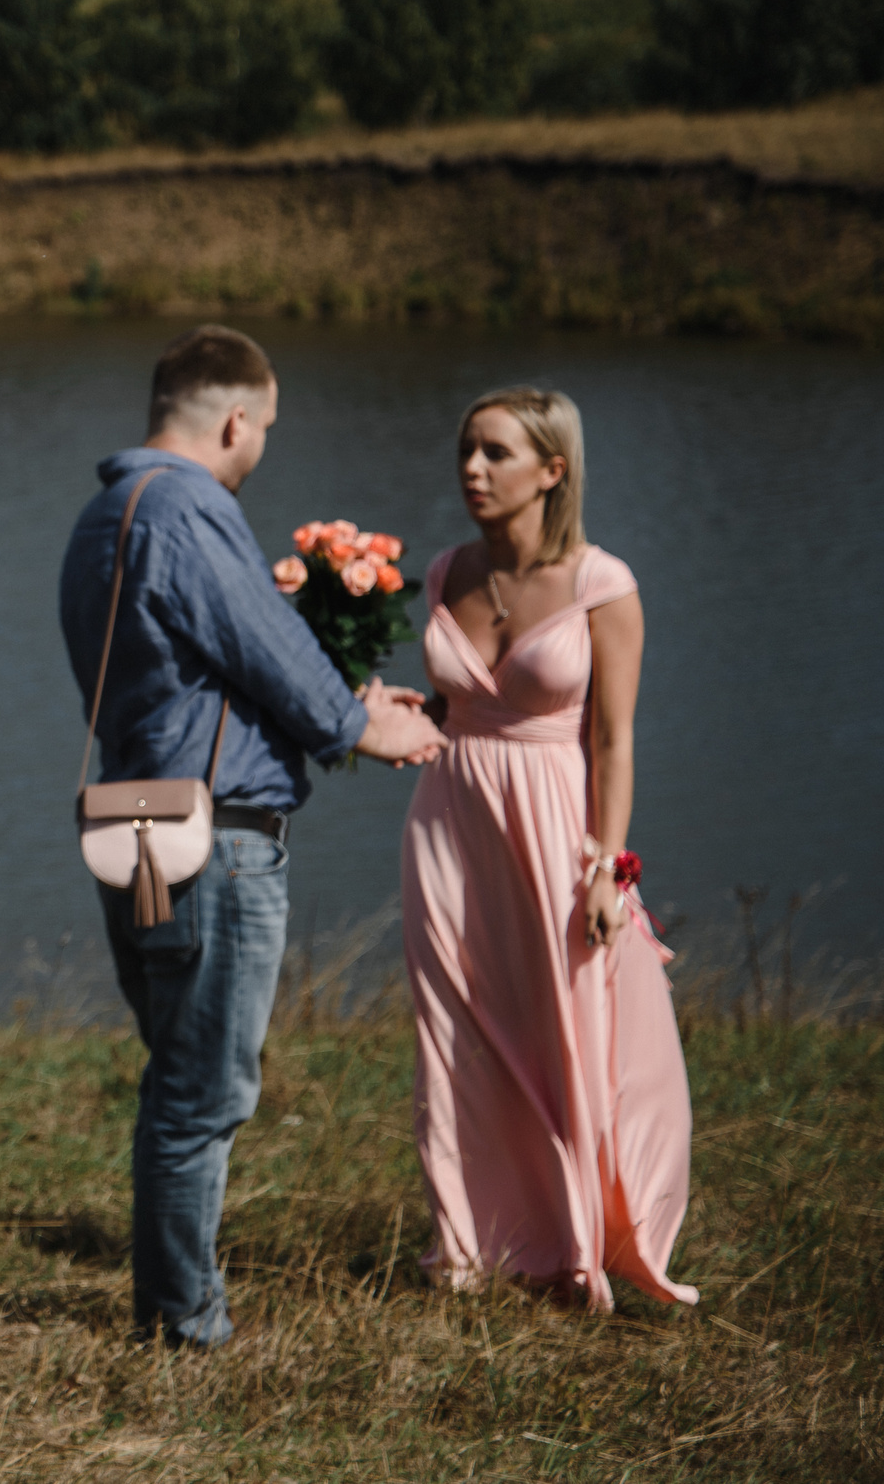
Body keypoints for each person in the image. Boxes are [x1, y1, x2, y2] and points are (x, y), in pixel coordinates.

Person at [58, 324, 446, 1349]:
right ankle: (184, 1323)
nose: (262, 444)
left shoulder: (104, 513)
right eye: (265, 425)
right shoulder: (188, 507)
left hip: (134, 823)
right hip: (213, 840)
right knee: (202, 1090)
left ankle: (174, 1305)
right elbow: (266, 647)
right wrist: (363, 723)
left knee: (177, 1072)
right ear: (235, 419)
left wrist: (345, 698)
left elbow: (201, 671)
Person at [400, 387, 696, 1309]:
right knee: (453, 1034)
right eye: (467, 449)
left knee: (562, 1032)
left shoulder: (603, 584)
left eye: (495, 452)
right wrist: (386, 714)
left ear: (552, 470)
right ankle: (468, 1245)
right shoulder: (444, 570)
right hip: (448, 823)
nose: (472, 468)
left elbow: (612, 739)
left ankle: (572, 1242)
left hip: (555, 826)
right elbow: (450, 707)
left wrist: (609, 866)